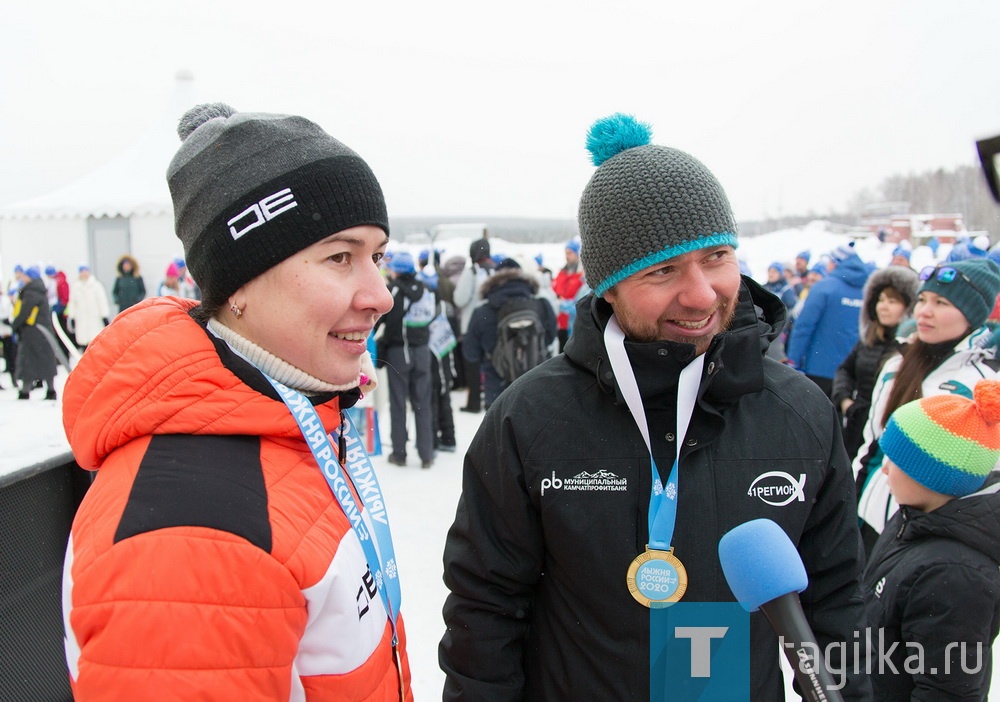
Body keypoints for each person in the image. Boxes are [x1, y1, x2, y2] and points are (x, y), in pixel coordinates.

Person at [440, 113, 870, 701]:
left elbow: (839, 600)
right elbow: (485, 606)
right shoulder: (530, 418)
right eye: (663, 270)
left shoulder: (797, 412)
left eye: (717, 257)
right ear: (608, 286)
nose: (701, 293)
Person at [61, 102, 413, 700]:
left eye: (377, 255)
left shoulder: (292, 419)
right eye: (339, 256)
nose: (380, 295)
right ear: (240, 284)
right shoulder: (194, 531)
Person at [862, 383, 1000, 699]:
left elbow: (946, 690)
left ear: (930, 476)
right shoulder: (910, 521)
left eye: (895, 460)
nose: (883, 469)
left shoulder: (956, 574)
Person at [854, 258, 1000, 553]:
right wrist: (849, 505)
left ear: (971, 314)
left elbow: (988, 477)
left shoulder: (985, 382)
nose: (924, 311)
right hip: (871, 524)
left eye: (941, 302)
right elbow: (872, 446)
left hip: (933, 539)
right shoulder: (897, 364)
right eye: (922, 299)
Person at [832, 266, 920, 464]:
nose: (883, 306)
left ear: (908, 307)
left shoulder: (911, 348)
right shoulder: (868, 339)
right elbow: (845, 370)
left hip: (888, 435)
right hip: (856, 427)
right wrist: (845, 400)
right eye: (880, 300)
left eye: (892, 301)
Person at [461, 257, 556, 410]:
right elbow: (550, 337)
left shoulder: (482, 312)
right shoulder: (541, 305)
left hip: (497, 391)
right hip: (537, 385)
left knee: (499, 432)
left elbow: (470, 352)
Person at [785, 241, 871, 396]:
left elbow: (804, 326)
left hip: (818, 367)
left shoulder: (824, 287)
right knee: (837, 417)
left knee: (812, 415)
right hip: (849, 372)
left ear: (836, 263)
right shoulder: (867, 290)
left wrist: (794, 359)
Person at [376, 250, 436, 469]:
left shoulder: (393, 291)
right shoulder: (427, 289)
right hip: (422, 351)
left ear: (396, 271)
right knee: (422, 403)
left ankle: (399, 453)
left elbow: (382, 321)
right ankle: (426, 454)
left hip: (399, 353)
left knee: (398, 403)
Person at [453, 235, 494, 412]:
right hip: (492, 325)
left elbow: (460, 299)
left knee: (472, 365)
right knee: (491, 363)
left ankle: (474, 403)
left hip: (471, 324)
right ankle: (491, 400)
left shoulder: (472, 272)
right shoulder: (494, 269)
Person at [11, 266, 58, 400]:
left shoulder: (31, 292)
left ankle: (25, 391)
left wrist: (15, 326)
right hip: (43, 331)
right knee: (46, 361)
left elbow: (23, 313)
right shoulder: (39, 290)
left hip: (32, 332)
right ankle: (50, 390)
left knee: (28, 361)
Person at [65, 264, 110, 351]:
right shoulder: (76, 287)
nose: (84, 274)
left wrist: (104, 315)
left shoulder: (96, 286)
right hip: (81, 318)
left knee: (95, 341)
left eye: (85, 271)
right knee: (83, 342)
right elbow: (72, 303)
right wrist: (72, 316)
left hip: (94, 318)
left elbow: (102, 301)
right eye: (82, 272)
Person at [551, 237, 585, 352]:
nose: (567, 256)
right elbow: (555, 289)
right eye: (566, 253)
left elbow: (580, 299)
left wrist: (563, 303)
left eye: (570, 253)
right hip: (561, 322)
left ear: (577, 253)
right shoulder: (562, 272)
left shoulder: (582, 276)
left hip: (574, 323)